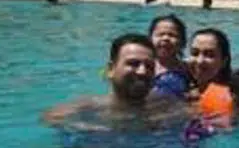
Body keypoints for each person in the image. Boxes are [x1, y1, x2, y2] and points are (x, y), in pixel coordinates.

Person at [43, 33, 184, 128]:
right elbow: (51, 119)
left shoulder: (167, 106)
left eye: (149, 66)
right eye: (133, 63)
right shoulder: (85, 109)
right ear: (111, 69)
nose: (142, 71)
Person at [187, 27, 234, 117]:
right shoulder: (182, 87)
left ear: (224, 61)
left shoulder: (233, 97)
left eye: (209, 55)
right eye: (195, 53)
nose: (200, 61)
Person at [147, 14, 191, 98]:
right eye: (160, 34)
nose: (166, 38)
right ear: (150, 39)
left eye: (172, 35)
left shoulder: (187, 69)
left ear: (182, 42)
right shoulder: (144, 67)